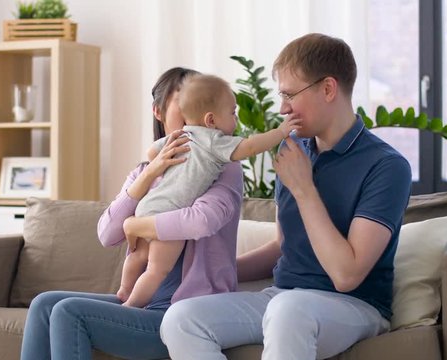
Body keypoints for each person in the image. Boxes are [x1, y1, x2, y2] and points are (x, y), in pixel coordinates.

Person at [160, 33, 412, 360]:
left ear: (328, 88)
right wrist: (219, 271)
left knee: (289, 309)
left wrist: (304, 189)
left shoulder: (386, 166)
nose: (282, 108)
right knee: (182, 318)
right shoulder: (291, 149)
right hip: (282, 297)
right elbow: (283, 245)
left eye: (290, 94)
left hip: (354, 305)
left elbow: (347, 274)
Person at [20, 67, 244, 360]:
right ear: (159, 112)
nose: (194, 120)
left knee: (68, 311)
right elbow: (107, 233)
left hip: (184, 312)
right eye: (184, 105)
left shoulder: (223, 167)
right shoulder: (144, 172)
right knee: (44, 304)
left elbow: (203, 221)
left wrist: (137, 224)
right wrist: (150, 173)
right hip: (141, 303)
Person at [119, 74, 300, 308]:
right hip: (169, 214)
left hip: (148, 206)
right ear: (211, 120)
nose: (236, 121)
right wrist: (282, 131)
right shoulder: (215, 142)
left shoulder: (180, 137)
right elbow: (251, 146)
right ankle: (130, 306)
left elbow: (152, 153)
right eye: (233, 113)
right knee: (156, 270)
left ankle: (123, 289)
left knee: (139, 255)